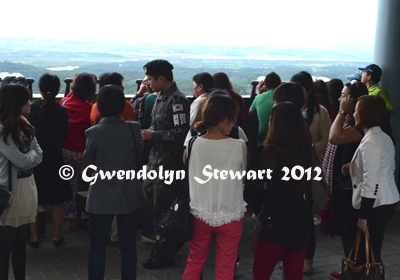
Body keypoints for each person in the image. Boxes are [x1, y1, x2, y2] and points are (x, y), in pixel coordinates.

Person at [182, 94, 247, 280]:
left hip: (200, 213)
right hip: (230, 215)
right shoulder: (238, 145)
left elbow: (186, 164)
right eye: (233, 119)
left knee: (194, 262)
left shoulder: (193, 143)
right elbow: (243, 173)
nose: (234, 123)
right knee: (225, 269)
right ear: (225, 119)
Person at [84, 85, 146, 280]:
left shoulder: (93, 133)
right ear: (122, 105)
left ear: (99, 106)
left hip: (101, 195)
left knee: (97, 249)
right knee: (128, 247)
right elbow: (139, 159)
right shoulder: (134, 128)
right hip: (129, 194)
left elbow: (89, 163)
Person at [253, 102, 313, 280]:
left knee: (261, 274)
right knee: (294, 275)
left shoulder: (271, 153)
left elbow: (257, 188)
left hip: (275, 225)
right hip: (301, 222)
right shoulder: (305, 150)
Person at [140, 59, 190, 268]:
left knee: (164, 209)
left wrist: (154, 135)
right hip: (156, 160)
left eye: (151, 79)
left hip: (168, 164)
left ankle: (164, 255)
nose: (148, 83)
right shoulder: (160, 96)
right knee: (150, 202)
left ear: (161, 78)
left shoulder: (177, 100)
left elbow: (181, 133)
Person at [345, 95, 399, 279]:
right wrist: (352, 167)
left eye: (356, 110)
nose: (353, 113)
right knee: (372, 252)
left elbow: (371, 181)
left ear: (366, 114)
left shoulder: (371, 142)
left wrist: (363, 216)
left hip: (376, 204)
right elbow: (383, 168)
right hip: (385, 200)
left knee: (371, 256)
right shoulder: (381, 136)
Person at [322, 81, 367, 280]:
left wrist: (341, 112)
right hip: (343, 189)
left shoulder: (359, 126)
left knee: (352, 234)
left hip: (351, 190)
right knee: (347, 234)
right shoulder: (350, 121)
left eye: (344, 96)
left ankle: (354, 272)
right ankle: (350, 270)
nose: (340, 99)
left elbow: (335, 138)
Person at [0, 84, 43, 280]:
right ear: (17, 103)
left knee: (20, 244)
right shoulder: (2, 129)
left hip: (28, 187)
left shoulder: (24, 123)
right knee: (4, 248)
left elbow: (39, 154)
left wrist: (30, 157)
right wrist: (31, 156)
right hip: (10, 191)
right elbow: (21, 160)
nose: (30, 103)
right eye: (27, 100)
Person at [290, 71, 330, 273]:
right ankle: (290, 256)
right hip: (289, 170)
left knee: (306, 215)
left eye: (300, 88)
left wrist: (308, 147)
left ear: (309, 90)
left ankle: (308, 259)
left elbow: (327, 139)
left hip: (311, 168)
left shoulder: (320, 112)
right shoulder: (287, 110)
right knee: (290, 215)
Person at [26, 73, 71, 247]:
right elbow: (65, 134)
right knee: (57, 199)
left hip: (34, 158)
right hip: (55, 157)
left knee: (33, 199)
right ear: (59, 90)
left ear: (40, 89)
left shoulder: (30, 108)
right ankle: (57, 236)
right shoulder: (62, 110)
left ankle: (34, 237)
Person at [60, 72, 96, 230]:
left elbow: (69, 96)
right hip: (81, 155)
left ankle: (69, 215)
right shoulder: (90, 109)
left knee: (69, 184)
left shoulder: (64, 102)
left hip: (63, 152)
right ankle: (89, 209)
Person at [249, 71, 281, 220]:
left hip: (263, 144)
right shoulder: (283, 98)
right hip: (281, 145)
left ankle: (257, 211)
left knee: (260, 178)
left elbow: (251, 113)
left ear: (265, 85)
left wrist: (258, 93)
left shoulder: (259, 98)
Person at [359, 64, 395, 143]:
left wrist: (374, 115)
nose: (361, 74)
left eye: (364, 73)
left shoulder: (380, 92)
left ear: (369, 76)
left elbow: (391, 110)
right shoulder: (366, 91)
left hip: (380, 136)